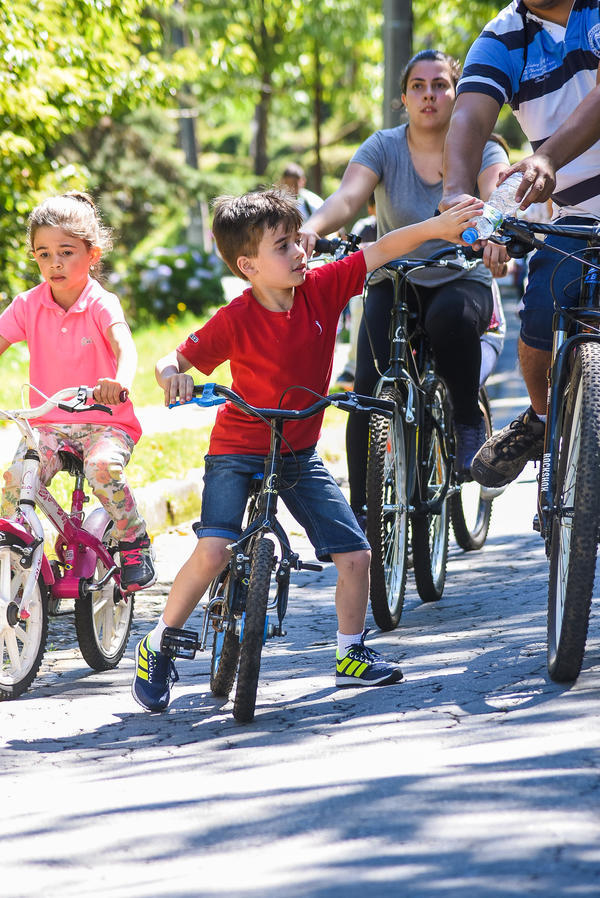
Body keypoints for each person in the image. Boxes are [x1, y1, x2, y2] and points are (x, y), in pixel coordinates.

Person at [131, 185, 483, 712]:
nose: (300, 251)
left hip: (297, 452)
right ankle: (158, 644)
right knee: (213, 549)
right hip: (237, 448)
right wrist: (171, 378)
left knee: (358, 554)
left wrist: (436, 228)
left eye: (298, 240)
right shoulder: (235, 319)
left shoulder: (322, 287)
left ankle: (350, 653)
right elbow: (171, 360)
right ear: (248, 265)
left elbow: (383, 250)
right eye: (283, 245)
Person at [301, 48, 509, 525]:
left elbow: (498, 191)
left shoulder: (482, 145)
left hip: (461, 275)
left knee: (447, 320)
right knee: (368, 393)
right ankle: (357, 521)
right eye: (419, 86)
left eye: (440, 84)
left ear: (458, 94)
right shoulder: (383, 146)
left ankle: (465, 418)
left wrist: (496, 232)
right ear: (403, 97)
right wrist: (314, 228)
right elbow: (349, 197)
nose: (430, 95)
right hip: (396, 280)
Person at [441, 0, 600, 489]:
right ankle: (542, 418)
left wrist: (548, 156)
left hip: (554, 174)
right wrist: (458, 195)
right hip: (574, 221)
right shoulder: (501, 37)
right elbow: (469, 118)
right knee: (538, 322)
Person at [0, 192, 155, 592]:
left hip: (106, 423)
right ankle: (19, 556)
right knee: (17, 481)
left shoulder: (101, 303)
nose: (54, 263)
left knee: (104, 469)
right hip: (49, 424)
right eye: (43, 253)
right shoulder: (27, 305)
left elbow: (126, 346)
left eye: (66, 252)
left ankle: (133, 539)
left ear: (92, 254)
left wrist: (119, 382)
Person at [335, 195, 377, 390]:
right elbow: (352, 250)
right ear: (371, 209)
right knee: (359, 302)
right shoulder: (365, 227)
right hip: (369, 280)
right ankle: (353, 366)